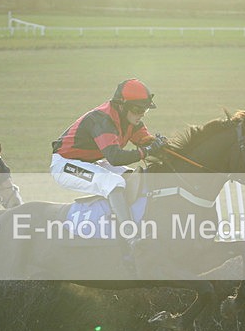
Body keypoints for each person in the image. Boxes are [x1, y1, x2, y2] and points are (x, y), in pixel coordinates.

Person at [50, 78, 168, 230]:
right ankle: (129, 233)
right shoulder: (102, 120)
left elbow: (146, 143)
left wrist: (161, 145)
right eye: (138, 110)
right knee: (113, 183)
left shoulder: (131, 120)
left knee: (131, 176)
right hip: (65, 167)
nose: (142, 115)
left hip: (88, 163)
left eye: (144, 110)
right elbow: (115, 157)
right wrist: (146, 151)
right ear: (121, 107)